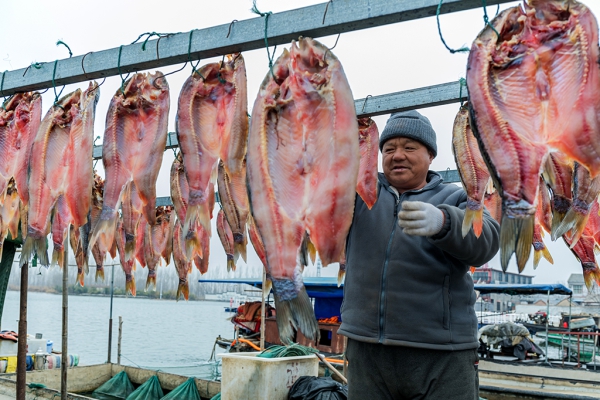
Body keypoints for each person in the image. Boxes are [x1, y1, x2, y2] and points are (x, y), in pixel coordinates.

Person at [339, 110, 500, 400]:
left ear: (430, 156)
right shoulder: (359, 195)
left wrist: (444, 222)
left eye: (409, 147)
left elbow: (486, 242)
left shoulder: (456, 197)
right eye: (389, 149)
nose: (397, 155)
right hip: (366, 351)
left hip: (442, 355)